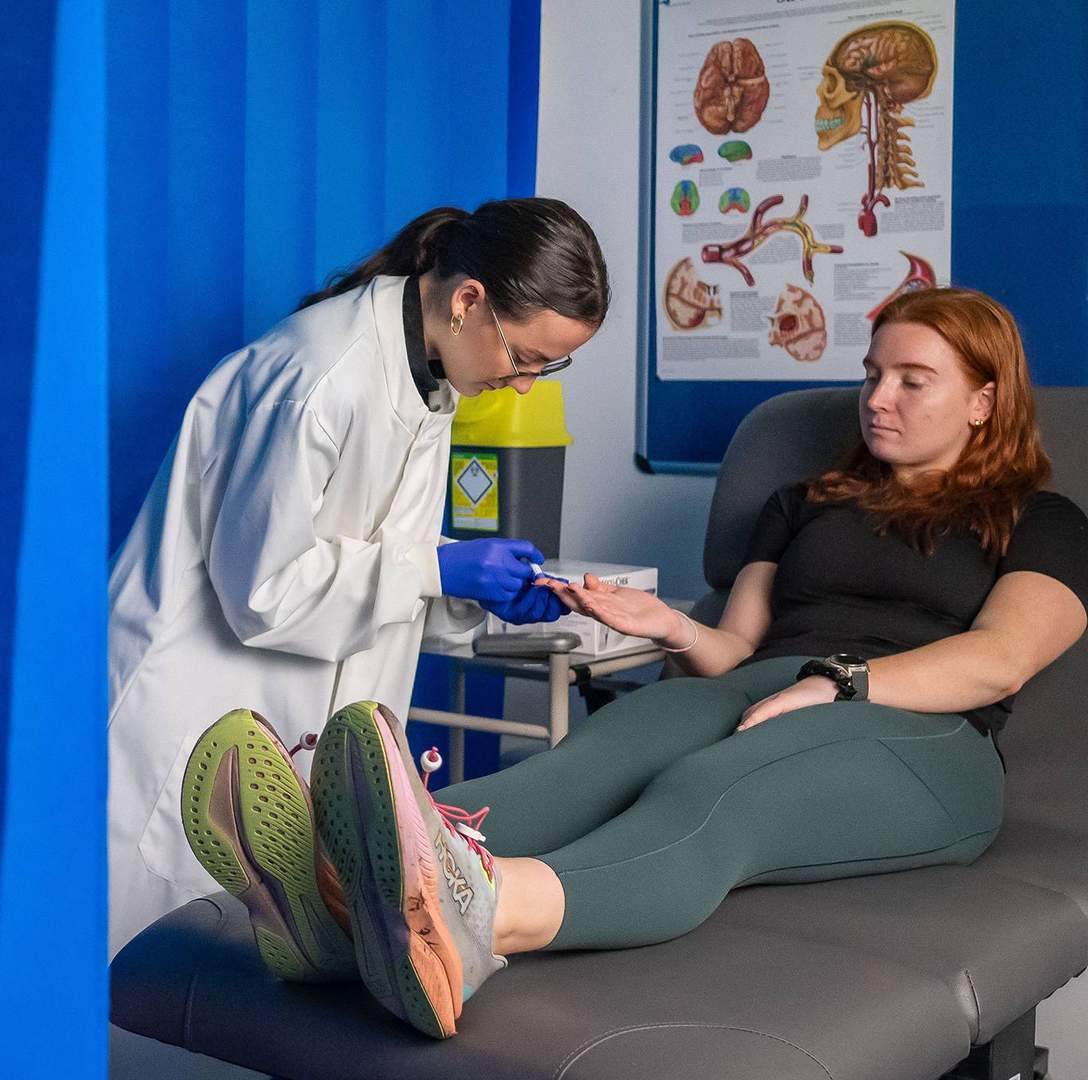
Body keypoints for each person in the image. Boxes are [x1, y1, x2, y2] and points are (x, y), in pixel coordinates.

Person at [178, 286, 1088, 1037]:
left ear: (985, 399)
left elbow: (1000, 661)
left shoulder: (1040, 521)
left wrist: (839, 684)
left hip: (924, 736)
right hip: (765, 685)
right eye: (873, 374)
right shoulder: (805, 502)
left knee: (720, 789)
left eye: (912, 380)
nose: (878, 398)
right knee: (598, 753)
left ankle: (476, 917)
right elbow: (734, 649)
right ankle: (340, 886)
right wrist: (665, 627)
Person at [108, 198, 611, 955]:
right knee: (135, 984)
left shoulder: (431, 376)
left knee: (230, 994)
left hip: (282, 732)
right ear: (469, 300)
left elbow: (367, 547)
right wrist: (433, 565)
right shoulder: (318, 378)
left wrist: (459, 589)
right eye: (526, 358)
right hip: (186, 713)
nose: (526, 385)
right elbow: (266, 592)